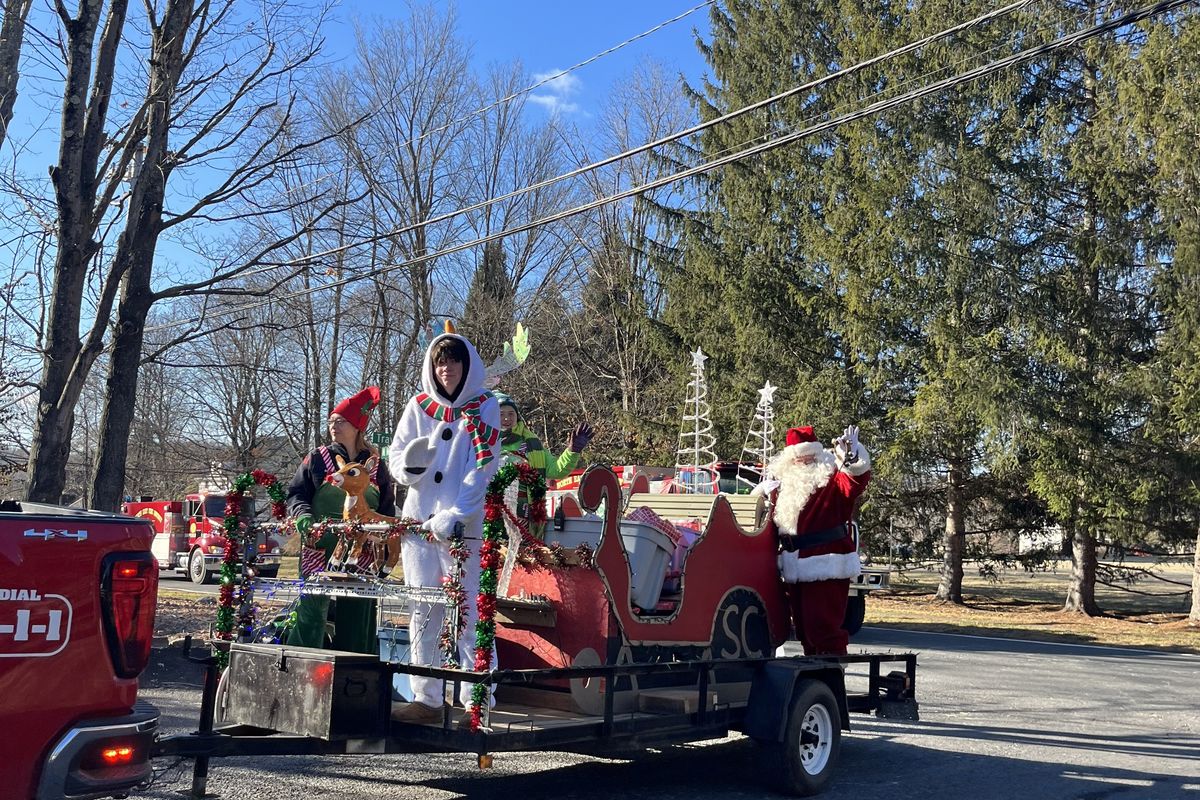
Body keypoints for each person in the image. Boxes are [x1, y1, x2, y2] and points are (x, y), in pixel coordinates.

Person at [388, 327, 502, 725]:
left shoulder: (484, 405)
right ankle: (427, 697)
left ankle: (477, 696)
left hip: (463, 527)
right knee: (423, 609)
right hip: (418, 523)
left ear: (466, 364)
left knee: (470, 608)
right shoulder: (418, 406)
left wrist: (455, 514)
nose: (446, 368)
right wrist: (411, 465)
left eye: (453, 360)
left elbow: (483, 468)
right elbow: (397, 459)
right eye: (440, 361)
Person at [285, 386, 395, 653]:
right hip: (319, 544)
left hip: (362, 547)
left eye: (340, 421)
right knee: (311, 606)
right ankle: (301, 661)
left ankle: (356, 671)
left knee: (359, 608)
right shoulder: (317, 459)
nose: (334, 425)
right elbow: (296, 494)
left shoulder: (376, 465)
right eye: (331, 421)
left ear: (358, 425)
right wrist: (304, 517)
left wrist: (383, 535)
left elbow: (386, 507)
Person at [765, 424, 871, 656]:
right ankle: (813, 677)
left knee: (822, 628)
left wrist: (852, 460)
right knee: (803, 629)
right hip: (794, 565)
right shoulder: (783, 487)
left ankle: (829, 679)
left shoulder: (831, 478)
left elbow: (853, 484)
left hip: (826, 563)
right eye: (799, 459)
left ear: (818, 455)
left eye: (809, 457)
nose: (803, 463)